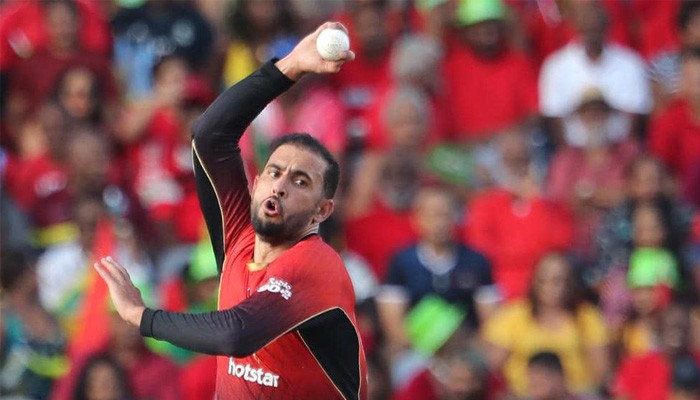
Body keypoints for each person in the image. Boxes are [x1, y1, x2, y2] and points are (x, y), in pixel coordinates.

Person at [94, 22, 368, 399]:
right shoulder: (238, 236)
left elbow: (237, 334)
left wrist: (141, 316)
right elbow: (210, 135)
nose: (281, 185)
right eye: (274, 172)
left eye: (300, 181)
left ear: (322, 211)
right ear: (256, 183)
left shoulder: (316, 265)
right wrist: (289, 67)